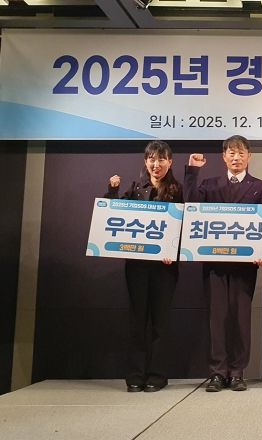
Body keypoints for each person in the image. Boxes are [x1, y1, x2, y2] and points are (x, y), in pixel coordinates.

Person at [184, 135, 262, 392]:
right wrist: (192, 172)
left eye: (241, 153)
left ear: (249, 157)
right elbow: (191, 207)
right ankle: (217, 372)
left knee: (241, 319)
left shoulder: (260, 187)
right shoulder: (209, 185)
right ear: (224, 157)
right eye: (231, 153)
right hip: (215, 262)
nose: (236, 157)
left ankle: (237, 372)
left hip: (245, 265)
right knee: (217, 318)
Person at [105, 140, 182, 393]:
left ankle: (157, 375)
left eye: (161, 159)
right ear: (145, 161)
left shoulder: (177, 190)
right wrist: (112, 191)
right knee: (137, 320)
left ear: (170, 162)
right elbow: (114, 215)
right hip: (137, 266)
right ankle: (135, 375)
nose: (156, 164)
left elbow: (185, 225)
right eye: (151, 159)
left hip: (165, 268)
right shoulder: (136, 188)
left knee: (160, 322)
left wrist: (173, 251)